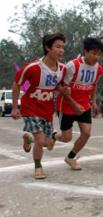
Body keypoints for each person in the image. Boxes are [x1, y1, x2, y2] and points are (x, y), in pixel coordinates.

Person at [11, 32, 67, 179]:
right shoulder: (33, 67)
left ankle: (29, 139)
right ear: (48, 48)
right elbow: (17, 85)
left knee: (48, 144)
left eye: (63, 47)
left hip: (47, 110)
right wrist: (15, 107)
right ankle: (38, 167)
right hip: (30, 108)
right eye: (57, 47)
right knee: (41, 140)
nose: (61, 50)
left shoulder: (62, 69)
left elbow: (58, 88)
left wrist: (61, 91)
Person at [53, 37, 103, 170]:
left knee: (87, 133)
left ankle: (70, 157)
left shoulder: (99, 69)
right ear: (85, 52)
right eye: (94, 53)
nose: (96, 57)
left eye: (99, 54)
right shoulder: (73, 66)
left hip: (84, 105)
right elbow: (61, 88)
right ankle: (52, 135)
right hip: (66, 105)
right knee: (66, 138)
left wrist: (93, 103)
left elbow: (94, 86)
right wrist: (74, 104)